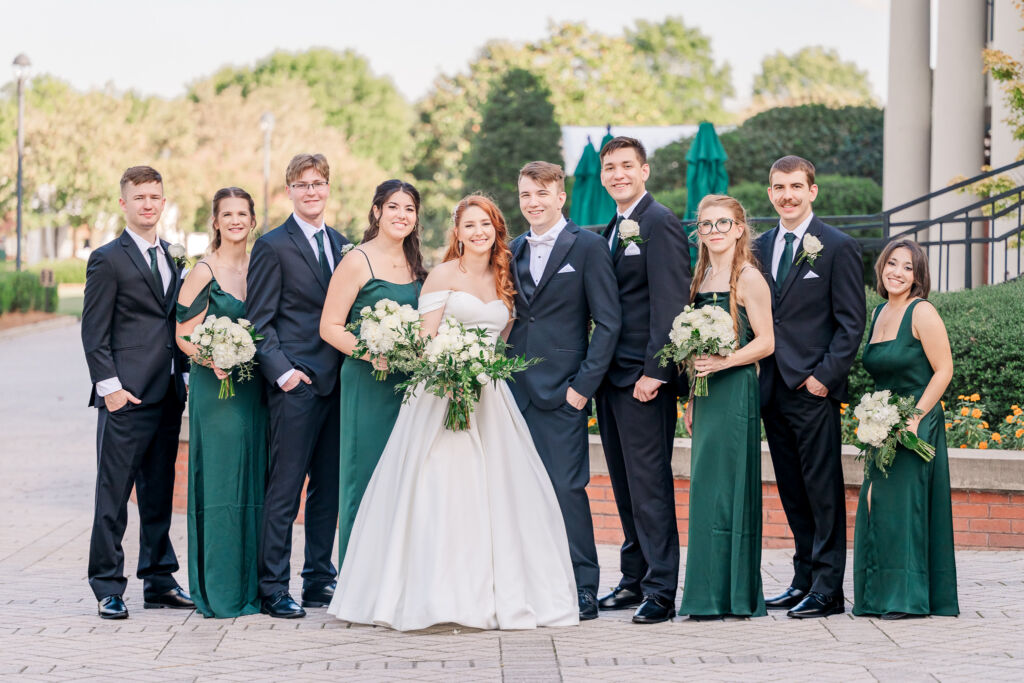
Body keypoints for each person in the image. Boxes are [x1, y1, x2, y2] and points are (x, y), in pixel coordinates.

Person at [326, 195, 578, 631]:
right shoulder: (442, 274)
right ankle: (432, 595)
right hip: (440, 390)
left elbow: (501, 343)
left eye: (486, 225)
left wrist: (482, 372)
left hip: (491, 397)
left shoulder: (505, 280)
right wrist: (451, 367)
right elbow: (425, 340)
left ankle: (492, 595)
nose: (478, 232)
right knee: (440, 485)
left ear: (497, 231)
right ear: (457, 233)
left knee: (498, 492)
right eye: (469, 225)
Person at [753, 155, 866, 619]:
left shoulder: (837, 247)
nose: (788, 195)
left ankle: (828, 589)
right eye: (779, 187)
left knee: (822, 490)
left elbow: (850, 323)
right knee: (791, 488)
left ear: (812, 191)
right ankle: (802, 579)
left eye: (796, 186)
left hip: (813, 388)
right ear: (770, 193)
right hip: (770, 388)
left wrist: (823, 379)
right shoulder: (758, 246)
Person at [507, 161, 621, 621]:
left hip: (562, 394)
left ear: (560, 196)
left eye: (541, 193)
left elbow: (609, 323)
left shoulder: (589, 247)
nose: (532, 202)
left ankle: (583, 585)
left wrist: (582, 388)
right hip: (511, 394)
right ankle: (527, 583)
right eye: (525, 195)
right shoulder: (510, 249)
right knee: (515, 492)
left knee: (566, 490)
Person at [81, 166, 193, 619]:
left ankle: (159, 580)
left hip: (167, 394)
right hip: (125, 397)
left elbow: (176, 323)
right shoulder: (107, 258)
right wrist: (110, 389)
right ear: (123, 203)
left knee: (158, 494)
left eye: (155, 196)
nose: (148, 204)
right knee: (113, 496)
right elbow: (94, 331)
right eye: (139, 197)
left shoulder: (173, 255)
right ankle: (107, 585)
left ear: (163, 203)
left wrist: (182, 378)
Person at [246, 154, 350, 619]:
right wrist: (285, 375)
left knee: (327, 491)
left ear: (329, 188)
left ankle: (318, 581)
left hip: (339, 386)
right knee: (285, 489)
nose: (312, 191)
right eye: (302, 184)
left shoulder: (343, 244)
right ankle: (273, 587)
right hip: (296, 388)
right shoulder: (271, 246)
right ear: (289, 190)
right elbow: (260, 322)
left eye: (319, 183)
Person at [594, 136, 691, 624]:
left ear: (645, 170)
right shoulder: (613, 226)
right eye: (610, 167)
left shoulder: (660, 222)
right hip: (610, 379)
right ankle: (633, 579)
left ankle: (660, 588)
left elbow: (671, 304)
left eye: (626, 166)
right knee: (624, 485)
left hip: (642, 380)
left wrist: (657, 371)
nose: (618, 174)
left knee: (650, 485)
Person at [320, 180, 425, 568]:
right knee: (365, 474)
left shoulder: (416, 263)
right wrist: (370, 351)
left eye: (409, 209)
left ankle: (397, 576)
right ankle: (357, 576)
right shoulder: (357, 260)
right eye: (394, 207)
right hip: (369, 382)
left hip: (409, 384)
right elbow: (330, 325)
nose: (402, 215)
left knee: (404, 479)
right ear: (377, 211)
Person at [678, 195, 774, 620]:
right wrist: (692, 395)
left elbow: (767, 342)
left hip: (735, 390)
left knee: (730, 490)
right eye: (705, 224)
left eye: (722, 223)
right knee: (705, 490)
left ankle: (734, 595)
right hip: (707, 393)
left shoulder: (748, 277)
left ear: (739, 228)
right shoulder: (699, 277)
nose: (713, 231)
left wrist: (724, 362)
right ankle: (704, 594)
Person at [853, 240, 959, 619]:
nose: (897, 272)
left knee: (903, 507)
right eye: (892, 263)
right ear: (882, 267)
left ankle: (906, 598)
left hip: (917, 420)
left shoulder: (922, 311)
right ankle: (875, 595)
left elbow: (944, 369)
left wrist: (914, 415)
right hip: (883, 423)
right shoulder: (879, 311)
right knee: (872, 503)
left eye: (908, 267)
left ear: (918, 276)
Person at [175, 187, 267, 618]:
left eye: (242, 214)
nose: (235, 221)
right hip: (218, 388)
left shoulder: (260, 264)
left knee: (253, 481)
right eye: (226, 214)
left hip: (255, 389)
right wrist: (214, 357)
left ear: (253, 220)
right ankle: (221, 589)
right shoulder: (203, 271)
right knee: (222, 482)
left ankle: (254, 586)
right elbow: (182, 334)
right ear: (215, 221)